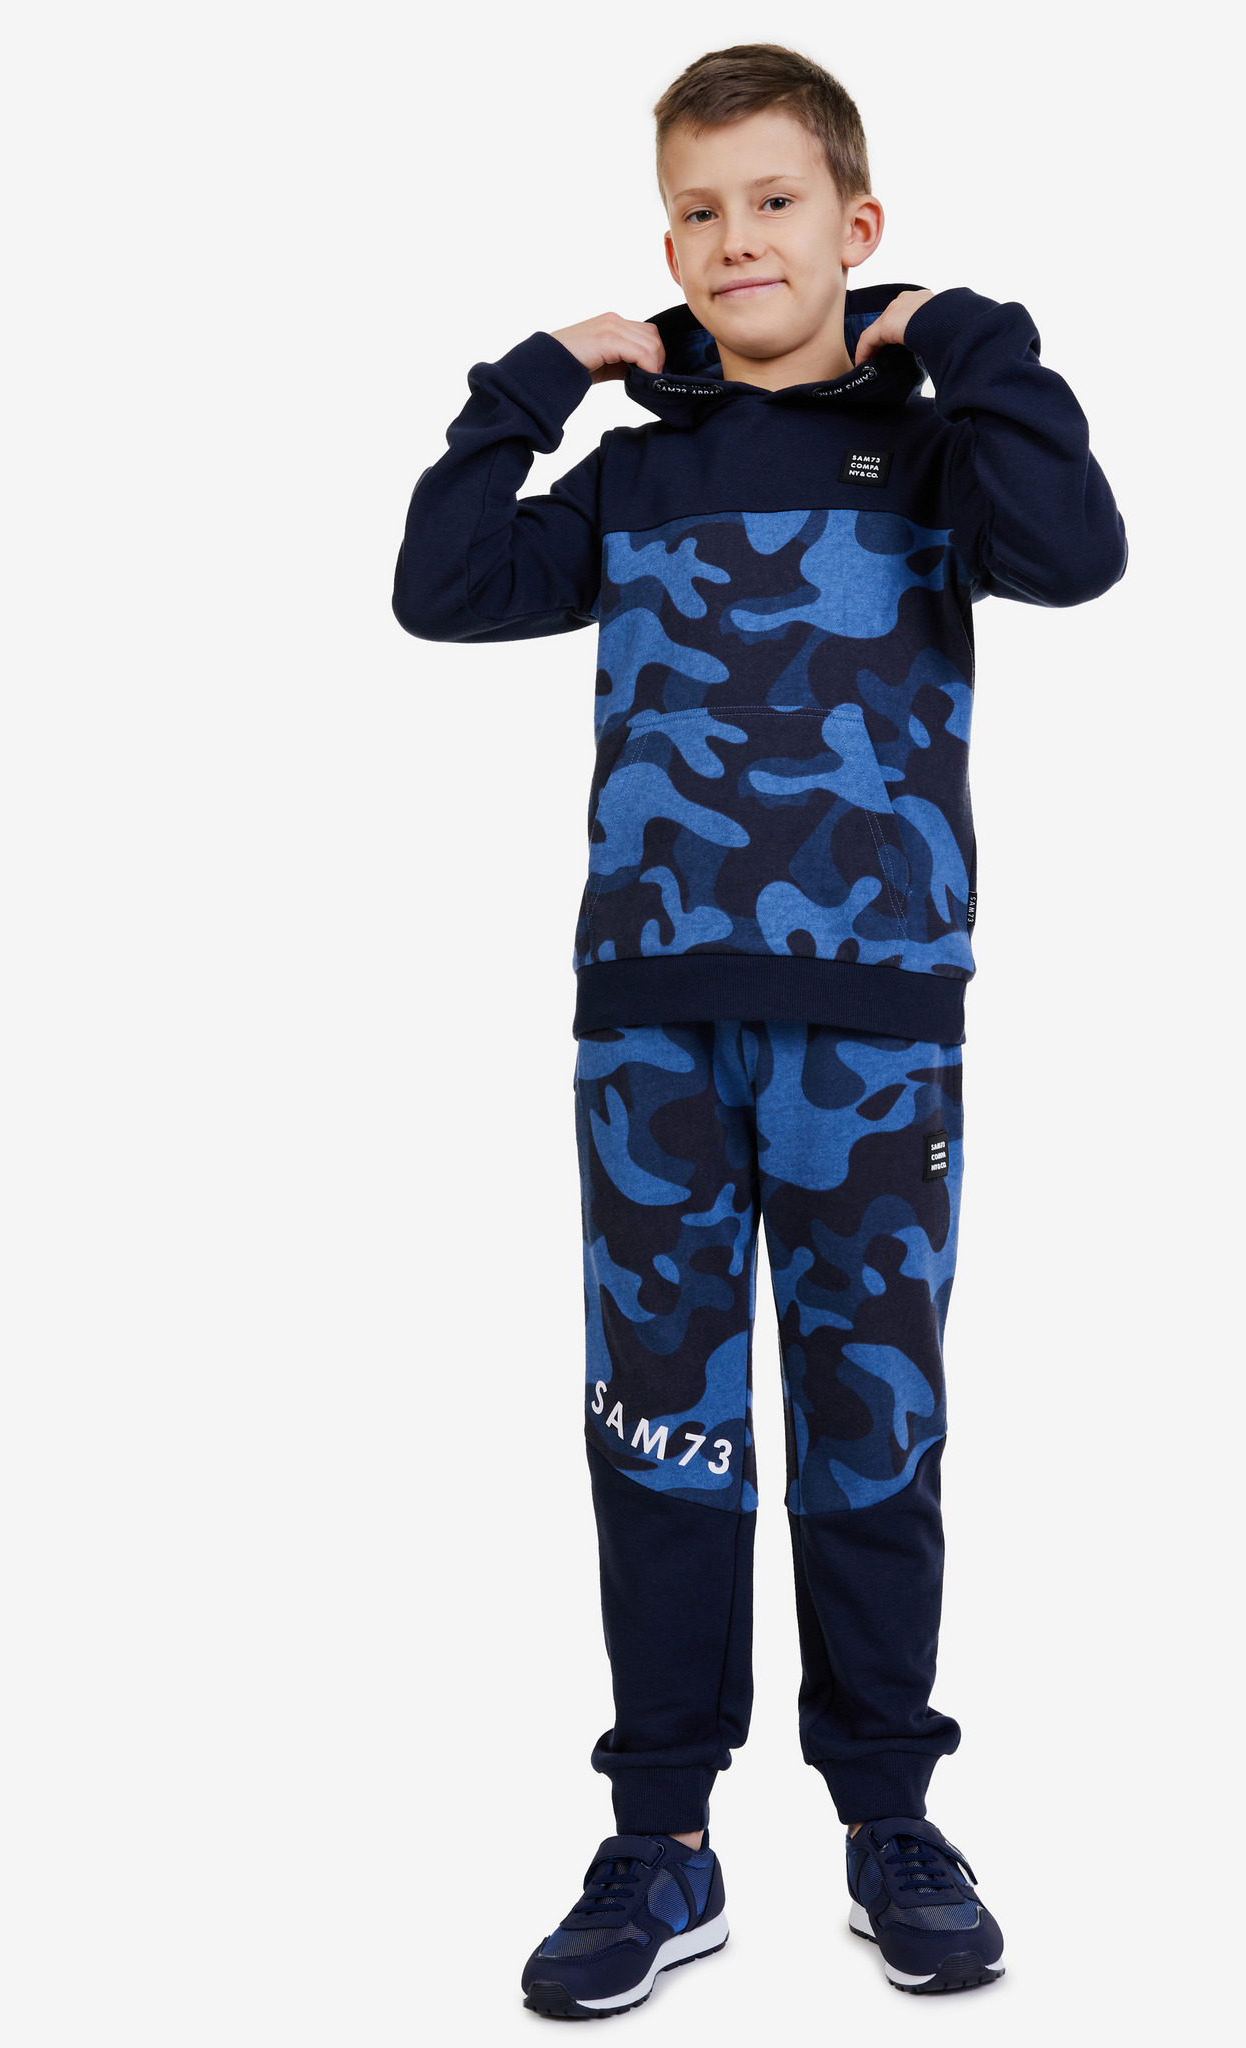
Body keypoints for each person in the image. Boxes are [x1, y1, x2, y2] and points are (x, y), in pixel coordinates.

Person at [392, 41, 1125, 2018]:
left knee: (874, 1424)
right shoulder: (639, 478)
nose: (737, 240)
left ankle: (891, 1816)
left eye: (776, 202)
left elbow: (1081, 551)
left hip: (875, 1034)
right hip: (651, 1026)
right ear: (668, 252)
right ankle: (663, 1839)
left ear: (854, 224)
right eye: (698, 213)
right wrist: (537, 378)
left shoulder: (944, 454)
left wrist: (969, 334)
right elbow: (442, 587)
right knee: (664, 1427)